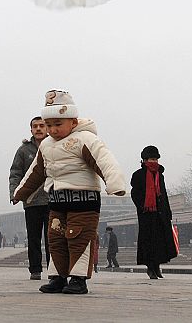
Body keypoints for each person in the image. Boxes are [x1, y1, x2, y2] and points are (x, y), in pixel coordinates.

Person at [12, 90, 126, 295]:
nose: (53, 130)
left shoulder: (85, 139)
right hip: (56, 201)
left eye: (58, 124)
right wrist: (20, 192)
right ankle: (58, 278)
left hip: (84, 202)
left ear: (73, 122)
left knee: (78, 239)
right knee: (55, 240)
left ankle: (78, 279)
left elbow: (105, 161)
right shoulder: (46, 145)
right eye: (49, 125)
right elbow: (35, 172)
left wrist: (115, 183)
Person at [9, 116, 51, 280]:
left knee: (52, 238)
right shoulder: (23, 150)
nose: (39, 129)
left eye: (42, 126)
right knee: (33, 238)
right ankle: (35, 270)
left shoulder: (55, 145)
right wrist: (15, 193)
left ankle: (54, 271)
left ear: (47, 128)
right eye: (35, 126)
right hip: (31, 202)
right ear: (31, 130)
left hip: (52, 200)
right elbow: (15, 173)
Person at [130, 145, 177, 279]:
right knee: (148, 242)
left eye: (156, 159)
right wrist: (142, 206)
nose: (154, 162)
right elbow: (135, 194)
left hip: (160, 214)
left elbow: (164, 194)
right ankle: (150, 267)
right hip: (146, 215)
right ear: (145, 160)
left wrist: (167, 212)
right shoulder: (138, 175)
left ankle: (157, 266)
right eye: (152, 159)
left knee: (160, 242)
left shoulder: (159, 175)